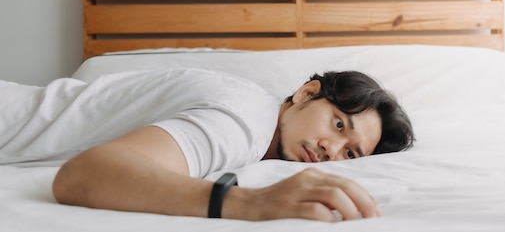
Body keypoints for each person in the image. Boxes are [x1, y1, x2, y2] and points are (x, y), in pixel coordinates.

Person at [0, 67, 414, 222]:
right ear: (306, 93)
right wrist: (252, 203)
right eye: (338, 124)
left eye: (350, 153)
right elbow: (84, 175)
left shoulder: (253, 116)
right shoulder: (244, 120)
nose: (332, 150)